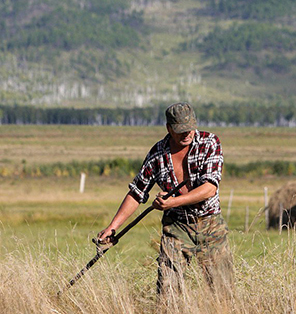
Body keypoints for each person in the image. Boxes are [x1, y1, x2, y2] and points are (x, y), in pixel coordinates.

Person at [97, 102, 233, 297]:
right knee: (167, 290)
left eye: (190, 128)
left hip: (209, 221)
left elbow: (209, 189)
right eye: (180, 130)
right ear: (169, 128)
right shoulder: (157, 154)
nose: (187, 134)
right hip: (176, 225)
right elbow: (137, 192)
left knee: (222, 290)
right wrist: (112, 228)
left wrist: (171, 203)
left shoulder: (210, 142)